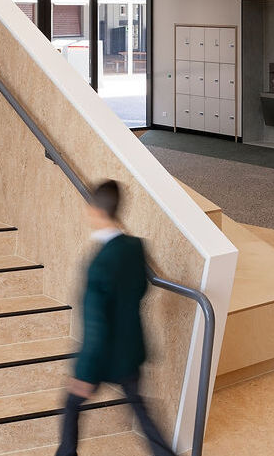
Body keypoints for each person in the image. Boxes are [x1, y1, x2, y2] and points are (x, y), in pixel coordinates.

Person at [56, 180, 175, 456]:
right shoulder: (134, 247)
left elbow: (95, 325)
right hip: (129, 349)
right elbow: (141, 290)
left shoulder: (99, 264)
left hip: (103, 355)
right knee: (140, 409)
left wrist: (85, 373)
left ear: (96, 211)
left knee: (72, 404)